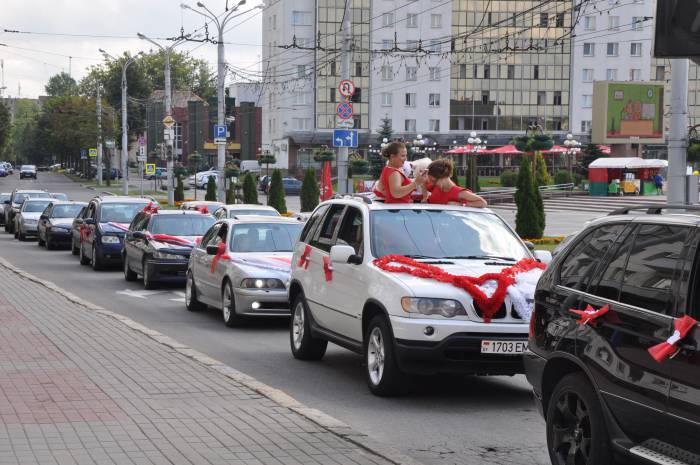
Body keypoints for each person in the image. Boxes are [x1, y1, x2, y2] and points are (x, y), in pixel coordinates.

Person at [423, 159, 487, 207]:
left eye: (433, 181)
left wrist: (460, 204)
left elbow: (483, 203)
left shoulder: (459, 192)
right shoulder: (435, 186)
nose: (431, 182)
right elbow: (423, 184)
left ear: (443, 177)